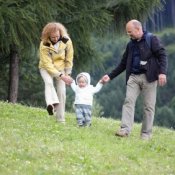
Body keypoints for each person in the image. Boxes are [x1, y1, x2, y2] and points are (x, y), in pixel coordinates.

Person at [102, 19, 167, 140]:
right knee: (128, 101)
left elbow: (162, 55)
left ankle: (146, 134)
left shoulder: (152, 39)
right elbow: (123, 64)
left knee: (149, 106)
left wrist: (162, 72)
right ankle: (125, 129)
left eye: (130, 32)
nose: (129, 34)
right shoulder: (130, 44)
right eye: (127, 32)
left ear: (138, 29)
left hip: (150, 77)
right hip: (133, 77)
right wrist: (110, 76)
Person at [39, 22, 74, 123]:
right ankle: (52, 104)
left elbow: (69, 58)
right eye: (53, 37)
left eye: (57, 36)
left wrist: (67, 74)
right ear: (48, 35)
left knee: (62, 92)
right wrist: (61, 76)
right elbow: (47, 64)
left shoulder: (66, 40)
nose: (55, 38)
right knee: (48, 83)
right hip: (45, 67)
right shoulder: (44, 44)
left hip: (61, 68)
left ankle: (60, 119)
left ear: (60, 33)